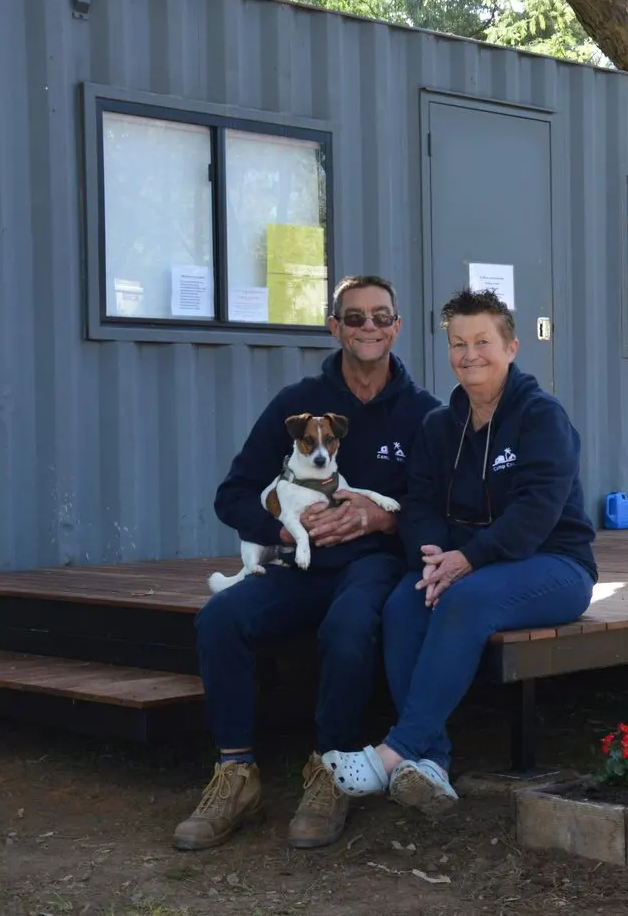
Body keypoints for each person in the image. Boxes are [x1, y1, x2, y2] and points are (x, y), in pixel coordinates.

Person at [174, 275, 440, 852]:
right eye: (353, 317)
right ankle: (235, 774)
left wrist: (381, 519)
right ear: (334, 328)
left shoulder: (424, 415)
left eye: (379, 317)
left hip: (371, 566)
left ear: (397, 327)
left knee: (349, 628)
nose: (367, 327)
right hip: (295, 565)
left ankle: (330, 771)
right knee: (220, 617)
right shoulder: (295, 405)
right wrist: (280, 528)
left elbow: (439, 508)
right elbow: (234, 493)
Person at [318, 288, 598, 816]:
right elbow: (419, 502)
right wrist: (435, 557)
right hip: (462, 563)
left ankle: (393, 752)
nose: (470, 354)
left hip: (554, 564)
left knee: (464, 600)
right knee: (406, 601)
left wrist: (466, 561)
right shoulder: (438, 426)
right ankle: (432, 767)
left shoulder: (542, 417)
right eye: (458, 343)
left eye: (483, 342)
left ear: (512, 347)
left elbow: (536, 512)